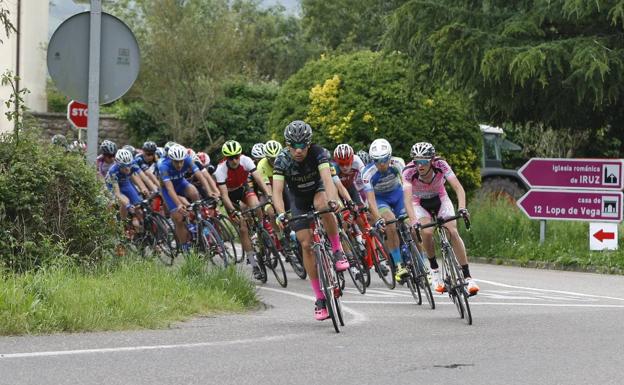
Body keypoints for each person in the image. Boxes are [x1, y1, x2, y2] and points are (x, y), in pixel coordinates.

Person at [271, 120, 349, 321]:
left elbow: (327, 178)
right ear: (287, 145)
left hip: (318, 191)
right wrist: (281, 214)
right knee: (306, 244)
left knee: (323, 204)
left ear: (308, 144)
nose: (298, 151)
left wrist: (334, 200)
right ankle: (320, 298)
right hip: (298, 200)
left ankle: (337, 249)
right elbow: (277, 192)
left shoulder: (318, 153)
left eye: (302, 146)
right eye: (293, 147)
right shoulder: (281, 161)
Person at [403, 142, 479, 295]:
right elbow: (407, 200)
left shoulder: (441, 164)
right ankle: (434, 270)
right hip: (419, 203)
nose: (420, 165)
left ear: (431, 160)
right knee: (428, 232)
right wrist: (413, 221)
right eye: (417, 161)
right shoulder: (408, 171)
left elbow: (458, 188)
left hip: (440, 198)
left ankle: (467, 277)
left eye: (424, 161)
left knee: (452, 231)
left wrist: (462, 208)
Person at [361, 138, 419, 283]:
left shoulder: (398, 163)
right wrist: (378, 217)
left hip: (398, 195)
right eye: (377, 161)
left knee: (413, 225)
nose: (381, 164)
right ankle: (399, 264)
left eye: (384, 160)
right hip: (381, 200)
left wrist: (411, 210)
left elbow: (407, 187)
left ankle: (422, 261)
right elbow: (371, 199)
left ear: (390, 156)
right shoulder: (367, 172)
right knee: (390, 224)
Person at [214, 140, 272, 280]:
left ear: (240, 155)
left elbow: (258, 179)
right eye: (230, 158)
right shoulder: (220, 170)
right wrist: (233, 211)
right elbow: (224, 196)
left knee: (256, 205)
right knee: (243, 228)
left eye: (236, 156)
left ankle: (259, 229)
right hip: (230, 196)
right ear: (226, 158)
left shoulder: (246, 161)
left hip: (243, 189)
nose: (234, 160)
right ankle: (253, 264)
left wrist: (268, 194)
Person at [158, 144, 215, 251]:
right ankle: (184, 246)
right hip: (167, 189)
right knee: (178, 218)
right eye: (176, 162)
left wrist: (209, 191)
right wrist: (179, 204)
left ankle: (199, 220)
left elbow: (200, 175)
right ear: (171, 159)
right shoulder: (163, 166)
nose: (179, 165)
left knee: (194, 192)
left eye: (181, 161)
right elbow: (170, 189)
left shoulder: (187, 159)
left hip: (180, 183)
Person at [106, 149, 151, 232]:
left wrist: (145, 188)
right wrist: (128, 206)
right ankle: (124, 225)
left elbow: (144, 178)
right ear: (118, 164)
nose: (127, 168)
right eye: (124, 166)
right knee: (125, 202)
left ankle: (143, 231)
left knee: (138, 206)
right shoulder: (113, 171)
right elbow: (117, 193)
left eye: (129, 165)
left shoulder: (133, 163)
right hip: (113, 186)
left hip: (125, 182)